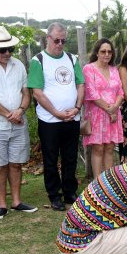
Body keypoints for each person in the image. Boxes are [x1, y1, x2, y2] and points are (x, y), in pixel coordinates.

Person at [0, 26, 37, 220]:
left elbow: (26, 93)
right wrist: (9, 114)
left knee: (16, 163)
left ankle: (17, 202)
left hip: (18, 122)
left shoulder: (18, 64)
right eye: (3, 50)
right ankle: (2, 205)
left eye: (10, 48)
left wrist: (20, 110)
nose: (8, 53)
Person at [27, 22, 85, 211]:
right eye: (57, 40)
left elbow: (80, 85)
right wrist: (56, 113)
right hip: (49, 120)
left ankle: (70, 192)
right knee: (51, 159)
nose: (60, 44)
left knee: (70, 158)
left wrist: (76, 108)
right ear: (47, 39)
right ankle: (55, 195)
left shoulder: (72, 58)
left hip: (72, 118)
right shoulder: (38, 60)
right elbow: (37, 92)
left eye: (64, 40)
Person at [82, 39, 123, 178]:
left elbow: (121, 92)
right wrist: (109, 109)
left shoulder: (114, 70)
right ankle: (97, 184)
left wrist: (115, 107)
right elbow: (91, 93)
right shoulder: (89, 68)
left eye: (109, 51)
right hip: (97, 114)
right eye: (103, 51)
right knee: (98, 148)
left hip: (113, 114)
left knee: (110, 148)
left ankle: (108, 184)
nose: (107, 54)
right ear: (97, 53)